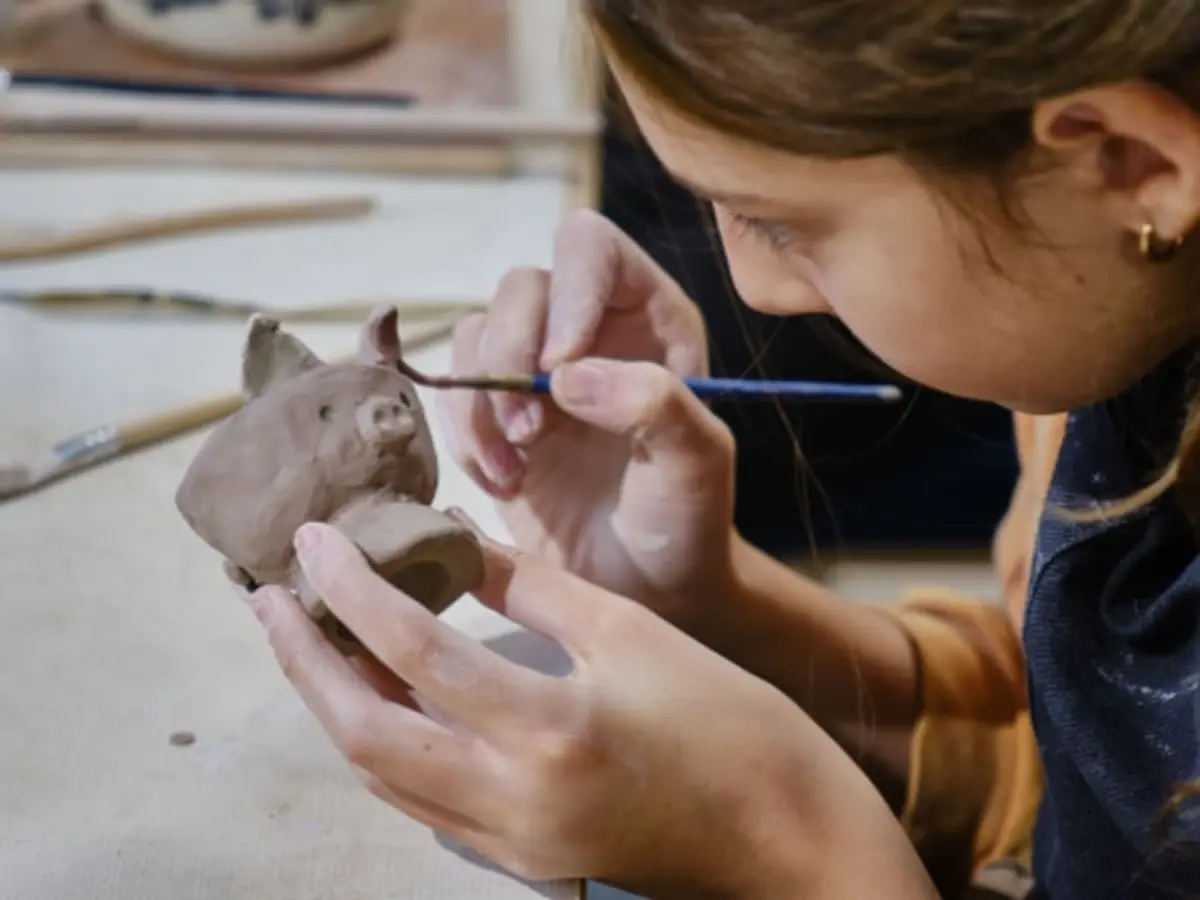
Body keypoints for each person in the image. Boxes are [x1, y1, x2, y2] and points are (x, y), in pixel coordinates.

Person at [242, 3, 1200, 898]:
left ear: (1130, 164)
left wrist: (793, 846)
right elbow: (1064, 745)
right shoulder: (1118, 331)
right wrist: (709, 605)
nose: (753, 287)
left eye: (782, 222)